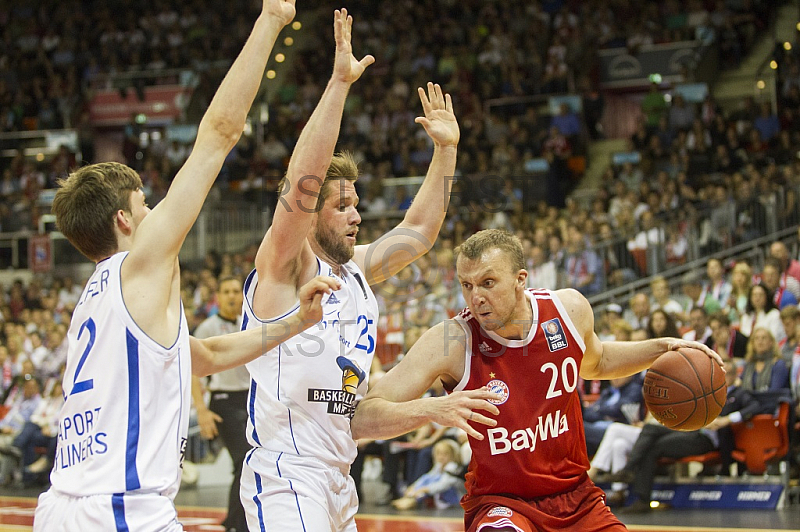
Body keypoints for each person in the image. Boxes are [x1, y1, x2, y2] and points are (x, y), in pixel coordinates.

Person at [32, 3, 342, 530]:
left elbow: (201, 354)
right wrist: (270, 21)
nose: (155, 212)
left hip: (64, 505)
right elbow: (218, 135)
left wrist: (293, 325)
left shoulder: (99, 295)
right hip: (119, 509)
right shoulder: (141, 264)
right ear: (123, 221)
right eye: (145, 204)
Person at [240, 8, 460, 531]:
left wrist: (446, 152)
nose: (357, 214)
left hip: (340, 475)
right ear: (312, 213)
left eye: (356, 203)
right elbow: (304, 183)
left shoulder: (356, 268)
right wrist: (339, 84)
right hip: (287, 473)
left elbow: (421, 233)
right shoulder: (284, 265)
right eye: (341, 205)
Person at [351, 229, 722, 532]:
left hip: (577, 499)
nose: (476, 297)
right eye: (467, 285)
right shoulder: (451, 340)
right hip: (503, 505)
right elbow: (363, 416)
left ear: (520, 280)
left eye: (488, 282)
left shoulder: (569, 310)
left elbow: (599, 360)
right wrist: (434, 408)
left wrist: (663, 347)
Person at [190, 276, 248, 532]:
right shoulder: (207, 328)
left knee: (253, 461)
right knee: (245, 459)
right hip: (223, 400)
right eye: (227, 291)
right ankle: (236, 523)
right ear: (219, 297)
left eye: (236, 291)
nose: (232, 296)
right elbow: (193, 371)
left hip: (250, 399)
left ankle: (238, 521)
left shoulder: (249, 324)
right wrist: (201, 410)